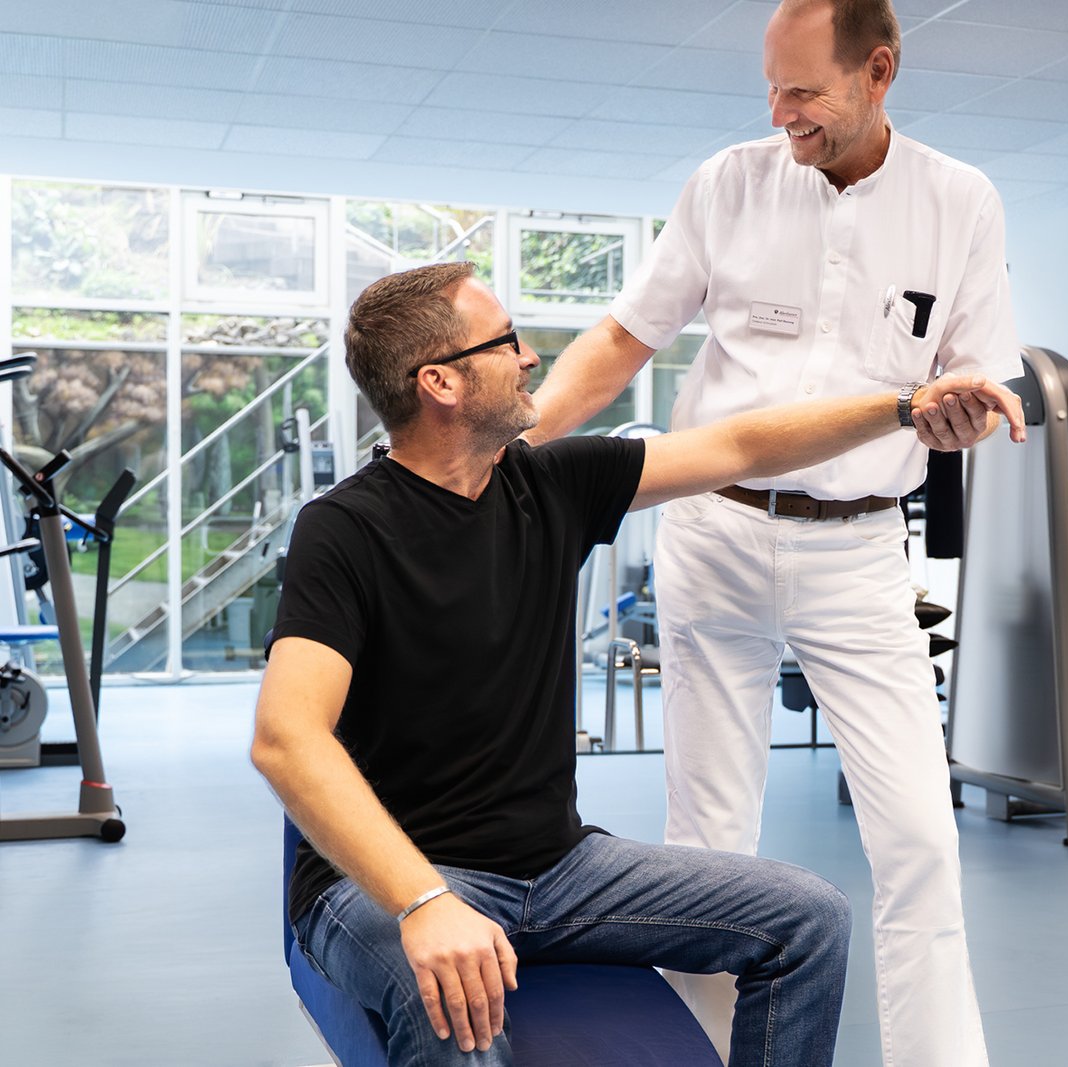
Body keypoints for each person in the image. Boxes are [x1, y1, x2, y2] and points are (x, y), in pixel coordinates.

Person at [251, 261, 1019, 1067]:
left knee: (808, 918)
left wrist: (905, 407)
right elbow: (286, 738)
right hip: (391, 884)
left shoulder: (551, 485)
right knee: (450, 998)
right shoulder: (343, 529)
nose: (530, 359)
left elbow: (741, 442)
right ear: (439, 381)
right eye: (507, 342)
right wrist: (424, 899)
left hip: (559, 868)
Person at [523, 2, 1025, 1064]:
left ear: (878, 71)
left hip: (858, 551)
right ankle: (698, 1052)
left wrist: (960, 412)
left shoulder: (959, 200)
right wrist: (518, 439)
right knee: (706, 838)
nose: (779, 111)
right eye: (770, 87)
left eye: (804, 90)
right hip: (715, 531)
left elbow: (980, 377)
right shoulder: (729, 182)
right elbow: (625, 335)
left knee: (921, 840)